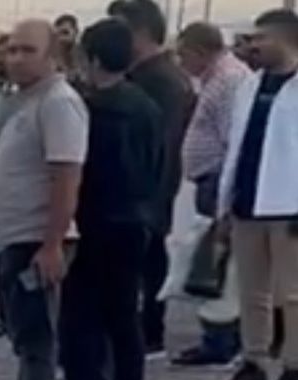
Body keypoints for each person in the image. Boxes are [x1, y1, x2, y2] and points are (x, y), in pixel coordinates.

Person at [0, 19, 89, 380]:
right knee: (22, 339)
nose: (16, 58)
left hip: (35, 241)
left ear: (53, 57)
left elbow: (66, 177)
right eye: (11, 50)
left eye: (27, 50)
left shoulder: (59, 104)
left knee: (37, 341)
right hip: (12, 241)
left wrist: (52, 244)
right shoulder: (25, 102)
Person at [52, 18, 162, 380]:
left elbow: (77, 171)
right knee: (124, 321)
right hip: (136, 223)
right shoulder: (147, 107)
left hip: (94, 223)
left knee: (80, 320)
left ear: (93, 58)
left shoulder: (89, 109)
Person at [217, 8, 298, 380]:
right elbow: (236, 143)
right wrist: (225, 203)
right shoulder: (250, 85)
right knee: (252, 290)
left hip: (290, 206)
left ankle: (296, 367)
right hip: (247, 200)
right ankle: (254, 359)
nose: (252, 45)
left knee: (294, 293)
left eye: (260, 38)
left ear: (285, 39)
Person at [111, 0, 197, 358]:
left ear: (140, 32)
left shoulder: (160, 80)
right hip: (145, 192)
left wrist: (149, 193)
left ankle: (149, 333)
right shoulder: (148, 75)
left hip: (150, 191)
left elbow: (162, 142)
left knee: (146, 265)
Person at [170, 22, 253, 367]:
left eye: (183, 54)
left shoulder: (229, 81)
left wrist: (225, 195)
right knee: (211, 261)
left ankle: (221, 339)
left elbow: (234, 139)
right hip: (211, 179)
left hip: (219, 179)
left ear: (200, 51)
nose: (181, 62)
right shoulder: (216, 78)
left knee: (216, 264)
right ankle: (218, 335)